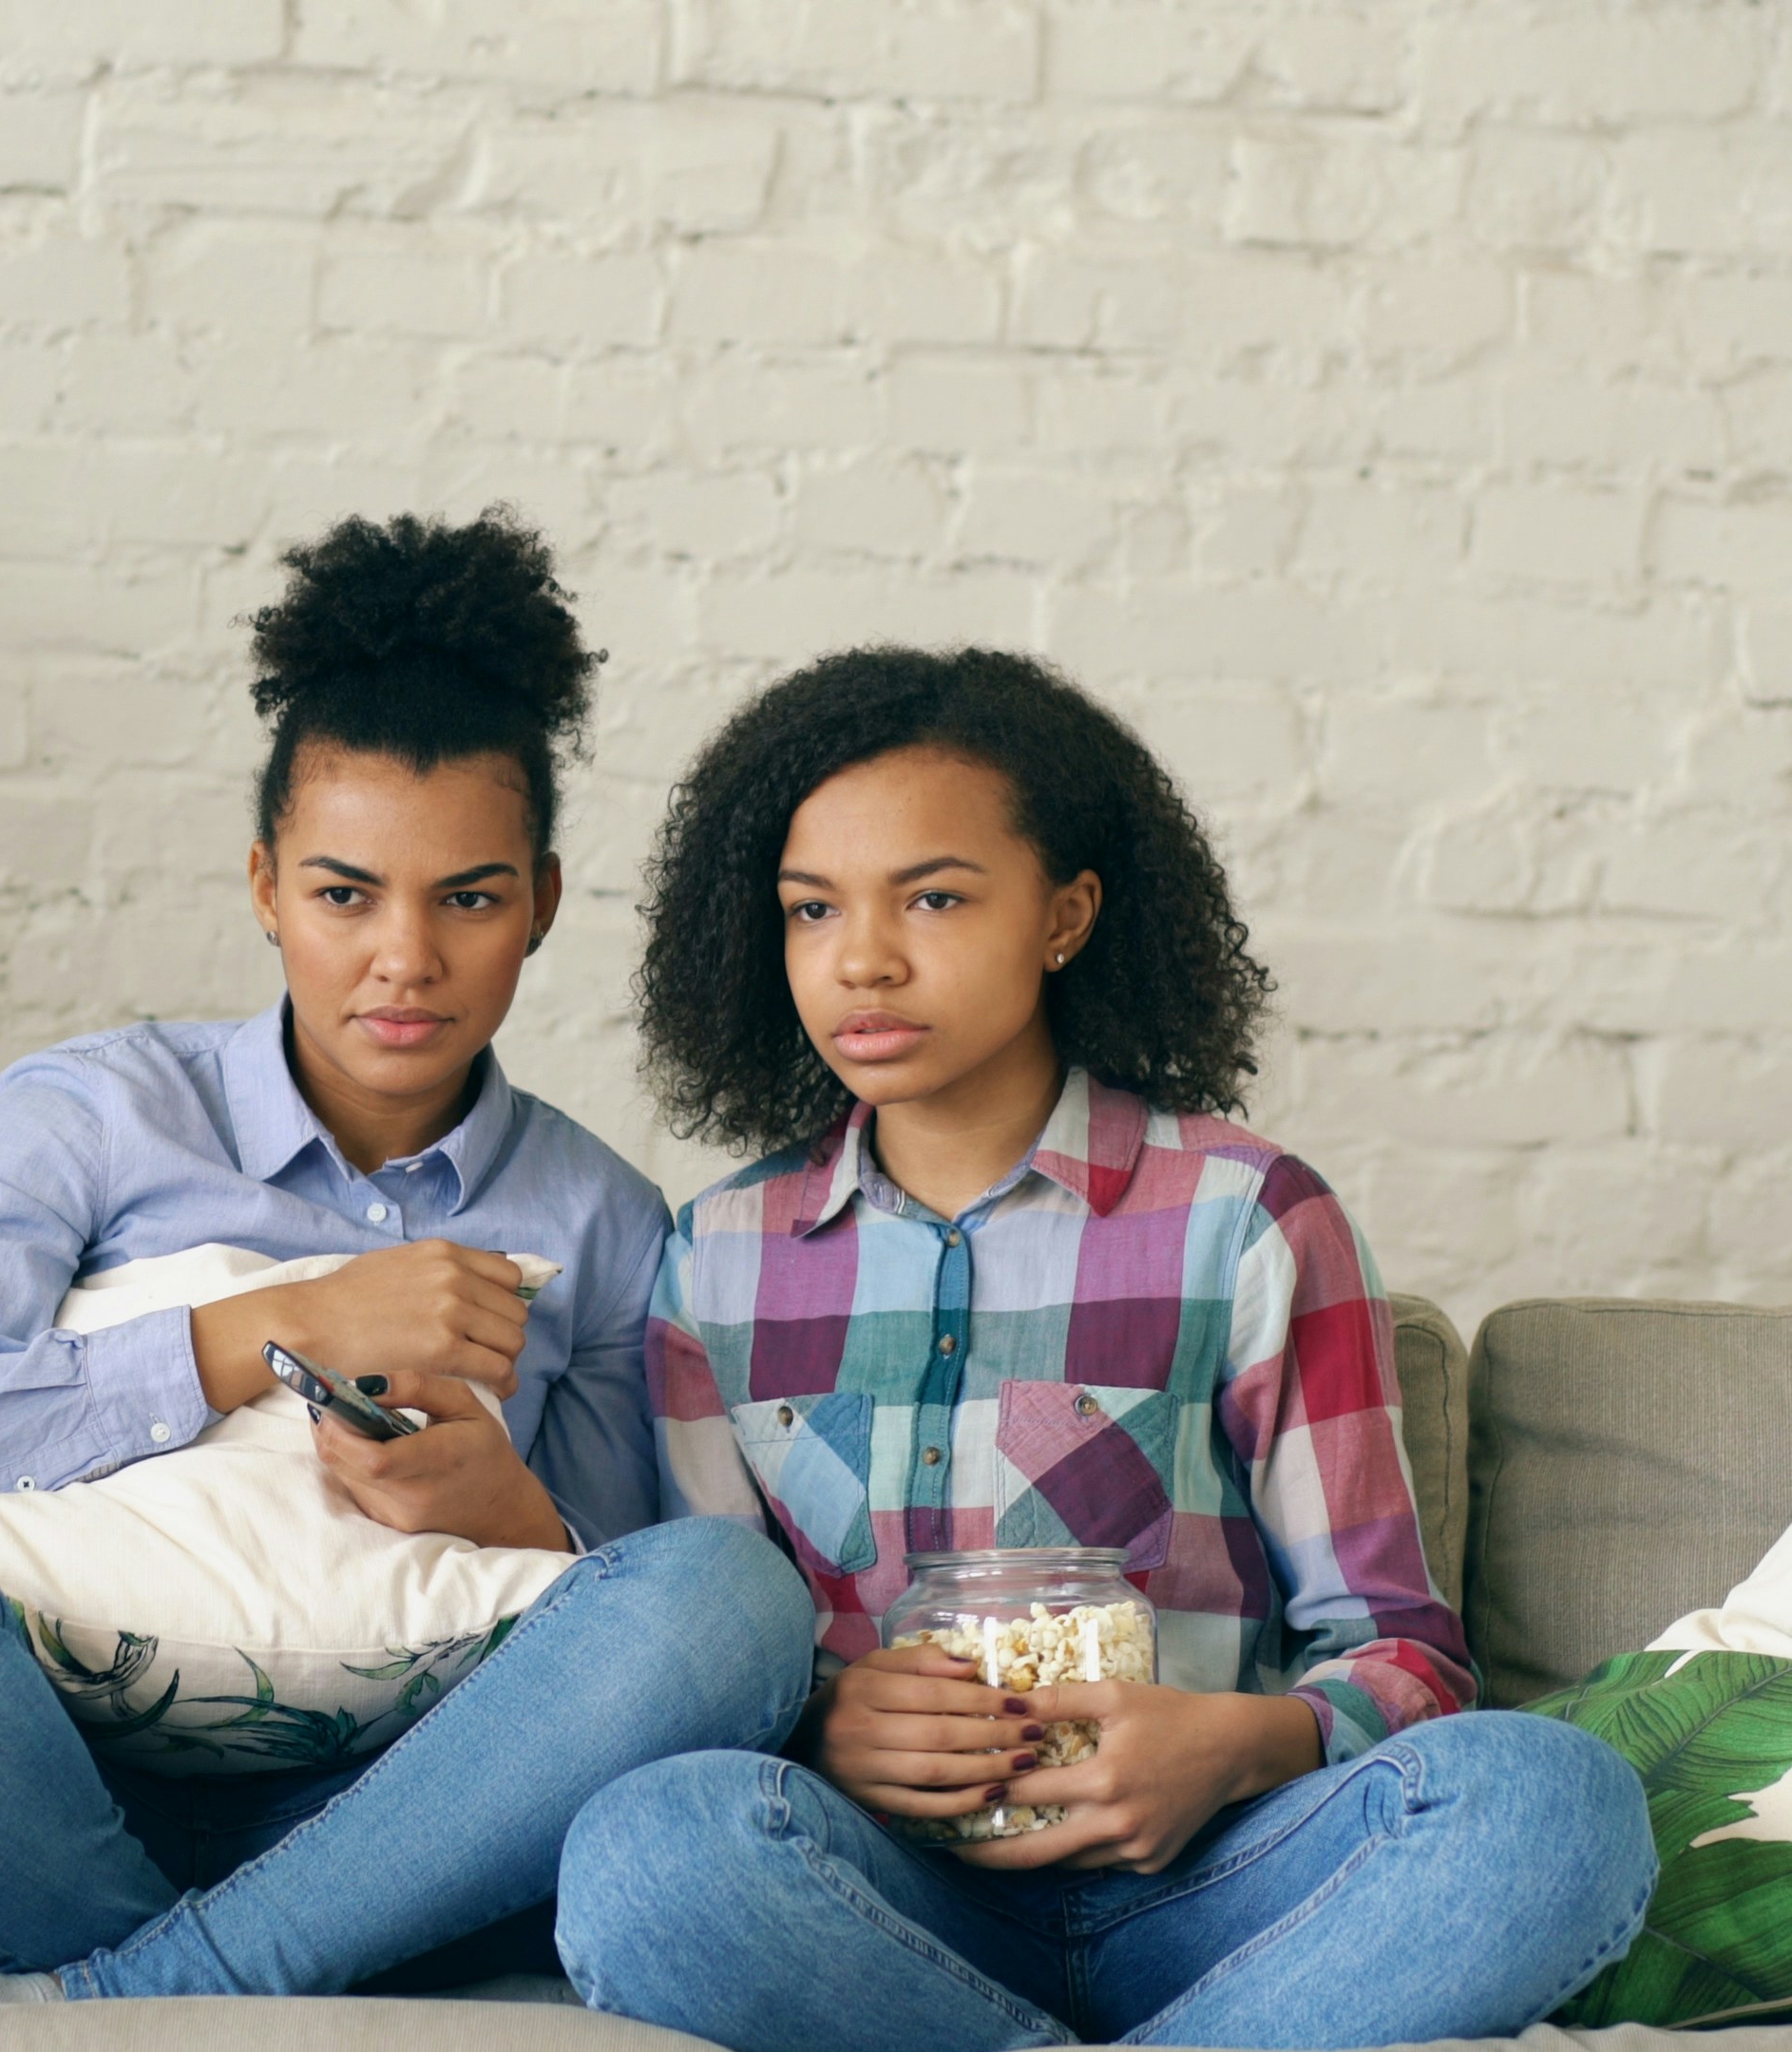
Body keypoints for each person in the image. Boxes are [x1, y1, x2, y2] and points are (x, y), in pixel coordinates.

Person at [0, 511, 815, 2010]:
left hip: (396, 1816)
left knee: (734, 1605)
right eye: (344, 892)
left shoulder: (609, 1223)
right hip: (25, 1766)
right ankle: (237, 1982)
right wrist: (275, 1323)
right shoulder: (90, 1115)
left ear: (544, 905)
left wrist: (508, 1507)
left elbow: (639, 1632)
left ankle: (113, 2005)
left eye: (471, 899)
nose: (405, 960)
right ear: (263, 886)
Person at [554, 647, 1654, 2051]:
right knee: (644, 1847)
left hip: (1228, 1886)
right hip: (886, 1906)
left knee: (1553, 1802)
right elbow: (712, 1672)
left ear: (1065, 915)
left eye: (935, 898)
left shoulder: (1250, 1218)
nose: (863, 958)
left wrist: (1234, 1746)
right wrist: (826, 1728)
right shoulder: (714, 1262)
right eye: (810, 909)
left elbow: (1405, 1657)